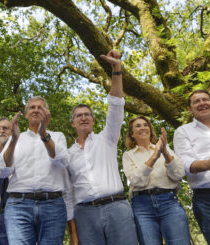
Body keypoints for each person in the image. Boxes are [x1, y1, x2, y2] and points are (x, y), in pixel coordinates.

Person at [67, 50, 138, 245]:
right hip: (85, 214)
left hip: (117, 207)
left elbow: (115, 105)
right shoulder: (67, 155)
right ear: (72, 123)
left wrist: (116, 69)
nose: (83, 117)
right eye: (78, 115)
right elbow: (68, 193)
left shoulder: (107, 138)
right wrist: (73, 232)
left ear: (93, 120)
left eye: (87, 114)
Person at [0, 97, 76, 245]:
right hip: (18, 206)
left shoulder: (57, 136)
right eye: (32, 107)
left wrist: (44, 134)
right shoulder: (15, 138)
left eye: (40, 107)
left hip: (52, 205)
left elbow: (63, 161)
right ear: (26, 114)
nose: (36, 110)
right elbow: (2, 170)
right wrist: (13, 140)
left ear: (47, 114)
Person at [123, 116, 191, 245]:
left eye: (145, 125)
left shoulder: (166, 148)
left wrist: (164, 151)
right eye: (138, 126)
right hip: (141, 206)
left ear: (150, 130)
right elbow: (137, 181)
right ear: (132, 134)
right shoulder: (128, 155)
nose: (143, 127)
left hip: (169, 202)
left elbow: (178, 174)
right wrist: (155, 156)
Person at [174, 89, 210, 244]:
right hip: (207, 199)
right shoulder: (183, 131)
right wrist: (208, 164)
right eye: (197, 101)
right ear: (189, 109)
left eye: (205, 99)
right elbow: (184, 163)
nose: (202, 103)